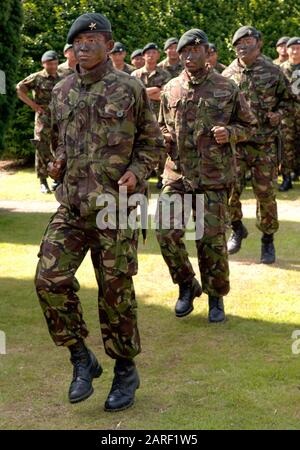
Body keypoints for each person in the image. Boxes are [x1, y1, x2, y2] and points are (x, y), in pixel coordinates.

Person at [34, 12, 164, 412]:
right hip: (72, 207)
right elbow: (58, 142)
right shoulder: (61, 91)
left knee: (115, 294)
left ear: (109, 45)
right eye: (78, 42)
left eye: (94, 41)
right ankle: (80, 357)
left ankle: (125, 369)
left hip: (114, 209)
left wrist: (137, 173)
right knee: (48, 280)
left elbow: (153, 145)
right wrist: (56, 163)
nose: (84, 47)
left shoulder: (129, 89)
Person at [156, 29, 256, 322]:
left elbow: (250, 126)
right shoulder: (170, 88)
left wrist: (231, 133)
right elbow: (161, 123)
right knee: (165, 232)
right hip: (177, 175)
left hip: (213, 177)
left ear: (207, 53)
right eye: (184, 52)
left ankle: (216, 298)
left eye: (195, 51)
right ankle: (187, 284)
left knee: (210, 241)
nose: (189, 56)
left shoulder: (227, 87)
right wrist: (164, 137)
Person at [222, 26, 292, 264]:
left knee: (266, 195)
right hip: (237, 144)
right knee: (230, 191)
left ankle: (267, 239)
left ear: (259, 44)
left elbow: (289, 101)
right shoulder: (227, 74)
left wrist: (279, 114)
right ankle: (237, 228)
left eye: (248, 41)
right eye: (238, 43)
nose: (243, 46)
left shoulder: (273, 71)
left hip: (264, 145)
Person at [16, 50, 60, 193]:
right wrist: (33, 105)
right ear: (43, 64)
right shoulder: (37, 77)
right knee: (42, 146)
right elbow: (19, 89)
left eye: (54, 63)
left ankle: (57, 178)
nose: (52, 66)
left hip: (60, 118)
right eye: (49, 64)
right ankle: (43, 181)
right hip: (44, 117)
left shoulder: (63, 77)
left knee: (59, 147)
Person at [132, 43, 170, 189]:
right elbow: (134, 96)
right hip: (140, 117)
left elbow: (164, 96)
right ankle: (140, 175)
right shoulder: (135, 75)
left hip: (159, 117)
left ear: (158, 55)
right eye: (148, 53)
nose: (151, 55)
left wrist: (144, 93)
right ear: (143, 56)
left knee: (162, 146)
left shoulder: (164, 74)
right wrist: (154, 89)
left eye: (154, 52)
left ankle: (162, 177)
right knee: (139, 145)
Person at [279, 37, 300, 190]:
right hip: (286, 115)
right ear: (287, 50)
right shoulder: (280, 70)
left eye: (298, 48)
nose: (295, 51)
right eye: (292, 48)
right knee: (287, 146)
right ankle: (286, 178)